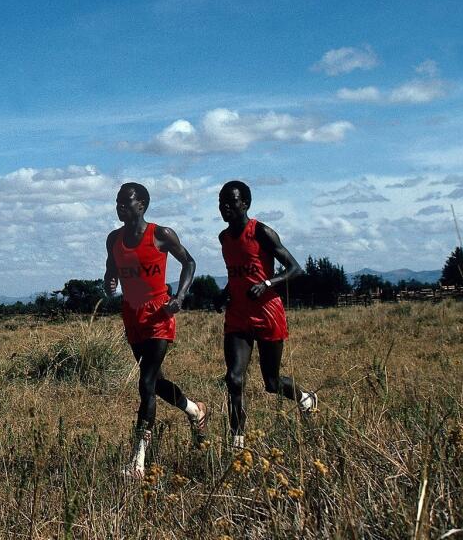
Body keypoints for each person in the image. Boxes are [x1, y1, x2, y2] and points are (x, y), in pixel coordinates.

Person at [104, 182, 208, 477]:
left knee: (146, 383)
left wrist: (180, 297)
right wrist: (109, 282)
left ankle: (137, 461)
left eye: (126, 202)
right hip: (132, 315)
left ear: (142, 205)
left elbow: (189, 262)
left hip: (159, 314)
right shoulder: (114, 239)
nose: (120, 207)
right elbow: (111, 269)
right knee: (156, 381)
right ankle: (195, 410)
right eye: (117, 202)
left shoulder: (161, 235)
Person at [217, 180, 318, 450]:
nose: (225, 206)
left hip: (267, 312)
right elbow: (238, 274)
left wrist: (268, 284)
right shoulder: (224, 238)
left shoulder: (262, 232)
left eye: (231, 201)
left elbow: (295, 268)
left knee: (271, 383)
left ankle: (305, 397)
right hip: (238, 315)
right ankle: (237, 441)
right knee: (234, 378)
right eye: (221, 202)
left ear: (245, 203)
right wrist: (225, 291)